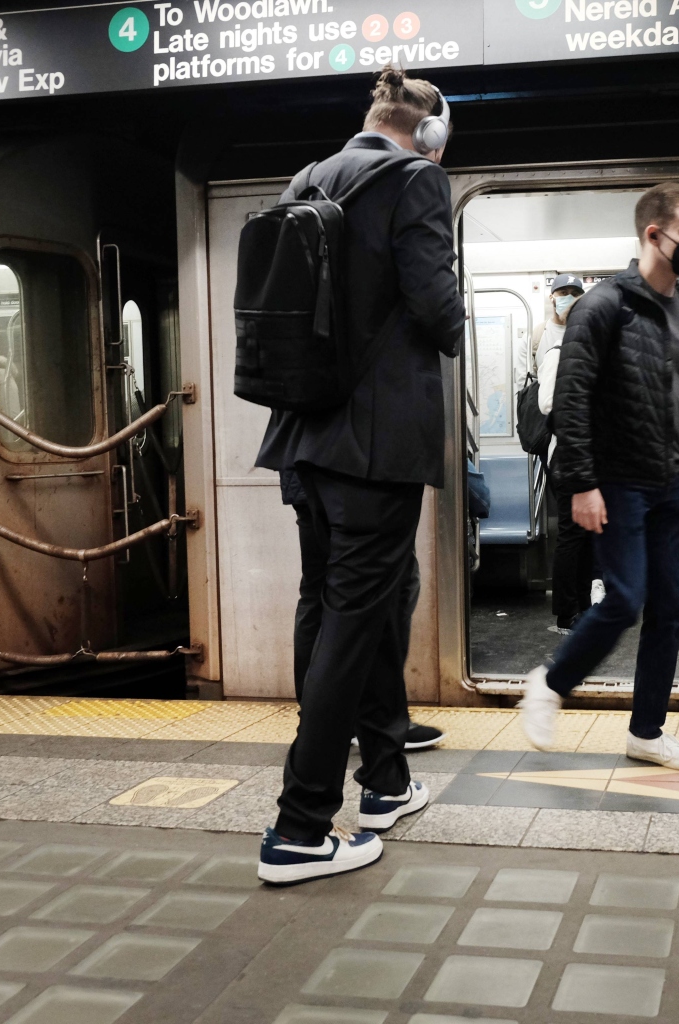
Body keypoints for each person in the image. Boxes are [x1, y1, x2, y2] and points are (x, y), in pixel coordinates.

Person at [253, 66, 465, 885]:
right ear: (431, 133)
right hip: (375, 447)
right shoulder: (417, 181)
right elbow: (438, 313)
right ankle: (301, 826)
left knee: (337, 603)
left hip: (302, 436)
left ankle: (385, 779)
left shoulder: (306, 179)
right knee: (354, 614)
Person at [516, 183, 679, 771]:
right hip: (618, 481)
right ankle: (550, 683)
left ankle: (646, 732)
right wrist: (582, 483)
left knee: (671, 608)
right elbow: (572, 399)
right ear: (653, 235)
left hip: (672, 484)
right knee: (626, 597)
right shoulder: (604, 306)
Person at [277, 468, 447, 752]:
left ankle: (318, 721)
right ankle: (380, 720)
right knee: (394, 584)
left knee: (316, 592)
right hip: (357, 475)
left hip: (305, 471)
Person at [532, 274, 604, 633]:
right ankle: (566, 611)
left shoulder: (590, 354)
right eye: (564, 293)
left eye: (576, 294)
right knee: (572, 535)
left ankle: (584, 605)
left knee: (590, 534)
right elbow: (547, 403)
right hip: (567, 453)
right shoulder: (555, 353)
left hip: (593, 453)